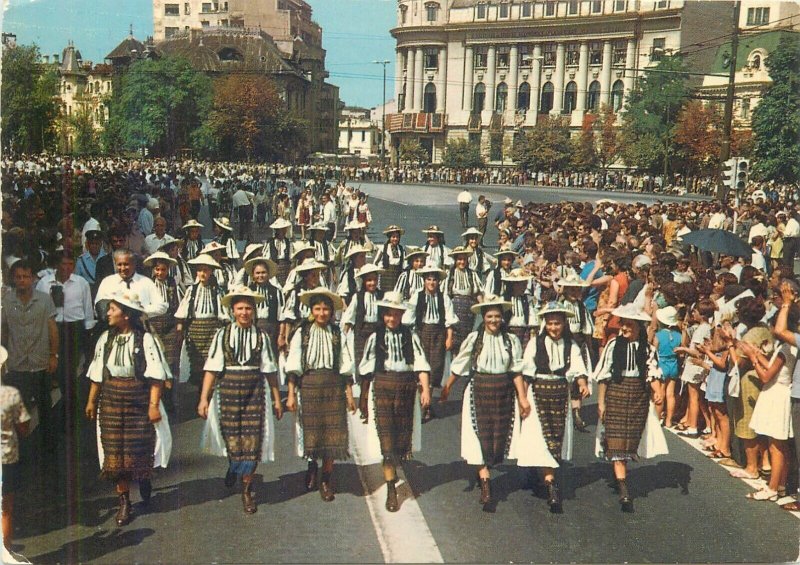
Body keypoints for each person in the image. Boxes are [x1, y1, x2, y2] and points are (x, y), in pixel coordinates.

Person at [84, 291, 172, 526]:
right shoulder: (106, 338)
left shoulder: (145, 340)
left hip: (138, 399)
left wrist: (153, 406)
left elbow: (156, 376)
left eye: (113, 309)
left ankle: (143, 477)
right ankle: (124, 502)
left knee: (139, 447)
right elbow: (97, 372)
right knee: (115, 453)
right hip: (112, 400)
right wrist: (92, 401)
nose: (108, 313)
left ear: (126, 314)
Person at [198, 286, 283, 514]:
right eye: (240, 308)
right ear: (233, 311)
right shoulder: (222, 335)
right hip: (228, 392)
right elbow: (212, 369)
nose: (244, 313)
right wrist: (203, 399)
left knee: (252, 442)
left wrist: (276, 399)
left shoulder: (262, 337)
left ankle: (246, 489)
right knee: (233, 438)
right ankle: (234, 465)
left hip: (255, 392)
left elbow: (270, 370)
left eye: (248, 308)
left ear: (254, 311)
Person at [440, 296, 530, 505]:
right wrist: (447, 387)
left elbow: (516, 370)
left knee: (497, 435)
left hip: (503, 392)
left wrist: (522, 398)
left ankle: (485, 472)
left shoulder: (511, 341)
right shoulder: (474, 339)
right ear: (483, 317)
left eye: (497, 316)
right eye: (489, 316)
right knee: (477, 434)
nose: (494, 320)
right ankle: (486, 481)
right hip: (478, 389)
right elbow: (460, 364)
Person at [356, 291, 431, 511]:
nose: (392, 319)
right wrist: (363, 399)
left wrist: (425, 389)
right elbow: (366, 370)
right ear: (383, 315)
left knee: (400, 441)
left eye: (396, 314)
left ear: (401, 314)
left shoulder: (411, 336)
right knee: (386, 444)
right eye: (388, 314)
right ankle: (391, 489)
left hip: (406, 389)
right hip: (382, 388)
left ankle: (394, 467)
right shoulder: (375, 337)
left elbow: (421, 364)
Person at [515, 301, 590, 513]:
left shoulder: (571, 344)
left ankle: (546, 476)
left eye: (557, 324)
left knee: (555, 437)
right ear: (545, 324)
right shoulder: (535, 343)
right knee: (538, 436)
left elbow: (577, 367)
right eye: (550, 324)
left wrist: (582, 383)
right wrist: (523, 399)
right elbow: (527, 371)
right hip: (538, 392)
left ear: (564, 324)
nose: (554, 328)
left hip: (559, 393)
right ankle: (550, 485)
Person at [593, 303, 666, 512]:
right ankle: (623, 487)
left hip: (637, 396)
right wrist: (601, 402)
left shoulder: (647, 348)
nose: (624, 329)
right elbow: (604, 376)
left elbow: (651, 372)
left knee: (629, 439)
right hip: (616, 392)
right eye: (622, 324)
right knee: (615, 439)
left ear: (639, 327)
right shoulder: (613, 345)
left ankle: (621, 476)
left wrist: (657, 390)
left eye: (629, 325)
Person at [285, 288, 355, 502]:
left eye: (326, 309)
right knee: (312, 434)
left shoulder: (337, 333)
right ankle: (311, 467)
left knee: (333, 437)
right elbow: (294, 364)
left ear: (332, 311)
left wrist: (349, 394)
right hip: (309, 387)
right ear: (311, 310)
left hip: (333, 387)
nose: (322, 313)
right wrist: (290, 394)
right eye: (318, 308)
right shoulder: (302, 332)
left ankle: (326, 479)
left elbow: (345, 364)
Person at [1, 260, 59, 454]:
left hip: (40, 362)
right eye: (18, 277)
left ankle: (49, 449)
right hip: (17, 365)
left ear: (33, 278)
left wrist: (53, 355)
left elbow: (52, 328)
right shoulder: (7, 301)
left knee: (45, 406)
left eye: (26, 277)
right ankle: (24, 449)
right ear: (13, 279)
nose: (22, 281)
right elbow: (4, 330)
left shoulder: (44, 299)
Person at [35, 251, 96, 432]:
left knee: (68, 374)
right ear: (57, 265)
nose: (67, 268)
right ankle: (49, 420)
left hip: (73, 329)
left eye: (70, 264)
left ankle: (71, 418)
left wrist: (87, 333)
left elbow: (87, 308)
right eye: (63, 264)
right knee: (50, 372)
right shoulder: (45, 283)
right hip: (51, 329)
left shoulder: (81, 283)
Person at [403, 266, 458, 420]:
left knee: (435, 368)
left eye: (434, 279)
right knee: (420, 367)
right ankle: (422, 403)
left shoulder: (444, 298)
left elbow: (449, 319)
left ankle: (426, 405)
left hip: (438, 334)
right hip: (421, 333)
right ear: (424, 281)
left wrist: (449, 337)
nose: (432, 282)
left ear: (438, 282)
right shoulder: (417, 297)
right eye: (429, 279)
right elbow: (408, 316)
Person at [175, 254, 229, 388]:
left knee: (212, 362)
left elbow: (224, 314)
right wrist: (180, 329)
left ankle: (210, 393)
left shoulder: (218, 291)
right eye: (200, 270)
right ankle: (198, 394)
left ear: (211, 271)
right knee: (195, 363)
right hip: (195, 331)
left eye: (206, 270)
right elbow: (183, 311)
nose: (202, 273)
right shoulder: (191, 291)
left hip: (212, 330)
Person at [1, 345, 31, 560]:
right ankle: (5, 548)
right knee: (6, 506)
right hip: (7, 456)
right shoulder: (11, 395)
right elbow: (24, 427)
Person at [342, 264, 384, 384]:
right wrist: (345, 332)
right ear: (364, 281)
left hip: (377, 331)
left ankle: (374, 384)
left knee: (376, 359)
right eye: (369, 280)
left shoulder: (381, 296)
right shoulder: (358, 296)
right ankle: (362, 387)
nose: (372, 283)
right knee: (361, 359)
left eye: (375, 280)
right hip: (362, 331)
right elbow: (350, 315)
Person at [444, 246, 484, 356]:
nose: (462, 262)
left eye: (464, 259)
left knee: (466, 341)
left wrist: (483, 307)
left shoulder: (472, 274)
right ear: (455, 260)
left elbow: (478, 292)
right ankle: (454, 366)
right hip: (454, 309)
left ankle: (464, 369)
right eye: (459, 259)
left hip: (468, 311)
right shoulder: (449, 274)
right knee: (454, 341)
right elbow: (445, 295)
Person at [74, 229, 107, 299]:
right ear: (88, 244)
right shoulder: (81, 260)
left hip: (103, 292)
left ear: (101, 244)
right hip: (86, 293)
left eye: (97, 244)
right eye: (92, 243)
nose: (94, 246)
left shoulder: (107, 258)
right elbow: (77, 280)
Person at [373, 225, 406, 293]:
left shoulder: (401, 249)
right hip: (385, 278)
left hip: (397, 277)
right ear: (389, 237)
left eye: (397, 237)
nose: (395, 239)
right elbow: (375, 263)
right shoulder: (383, 248)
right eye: (393, 237)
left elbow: (404, 264)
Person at [263, 218, 294, 287]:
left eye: (284, 229)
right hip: (274, 267)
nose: (283, 232)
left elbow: (291, 257)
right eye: (281, 230)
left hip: (286, 268)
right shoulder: (270, 243)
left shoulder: (288, 243)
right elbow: (265, 257)